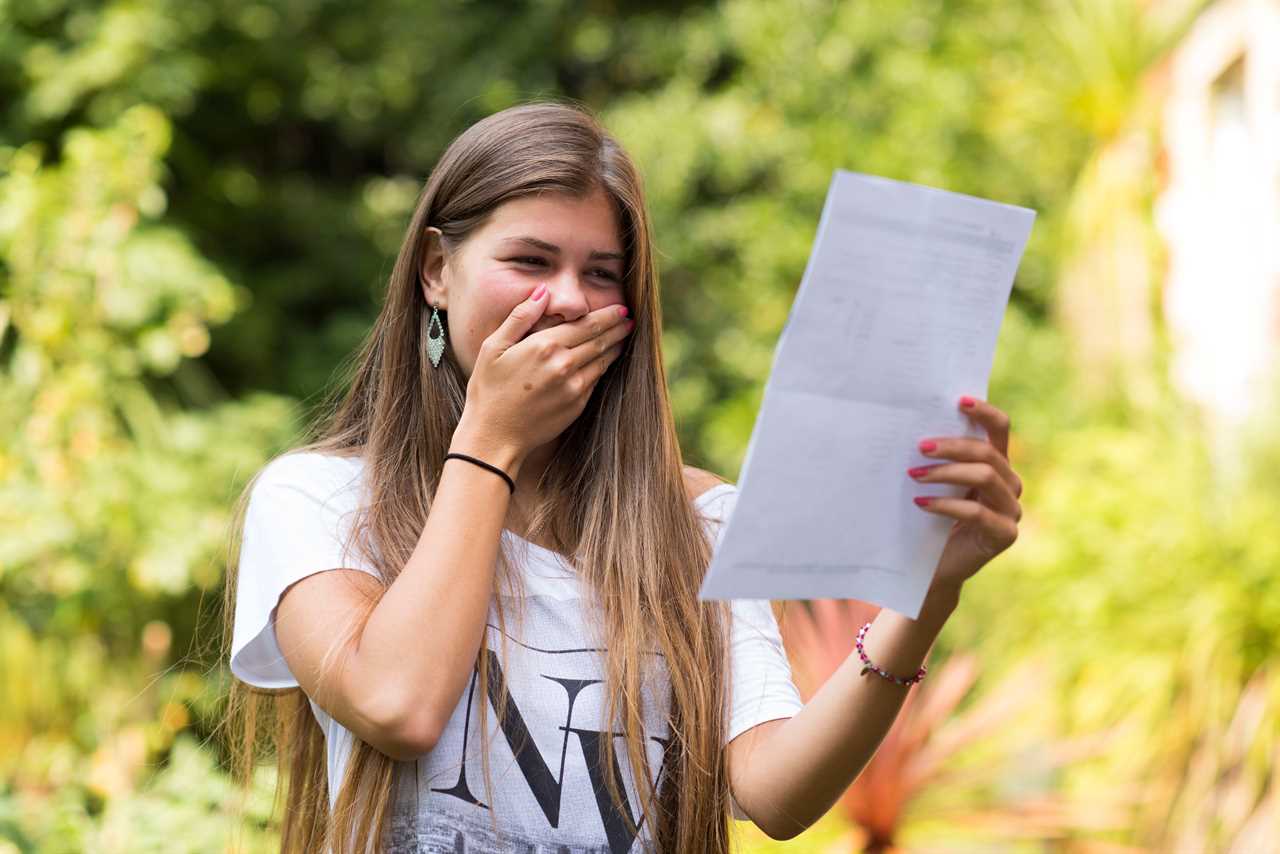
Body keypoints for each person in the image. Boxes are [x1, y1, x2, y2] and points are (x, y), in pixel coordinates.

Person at [221, 101, 1023, 854]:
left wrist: (927, 590)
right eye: (531, 260)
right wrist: (491, 443)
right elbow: (398, 704)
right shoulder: (318, 501)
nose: (567, 298)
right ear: (436, 269)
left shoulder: (697, 521)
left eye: (601, 274)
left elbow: (774, 794)